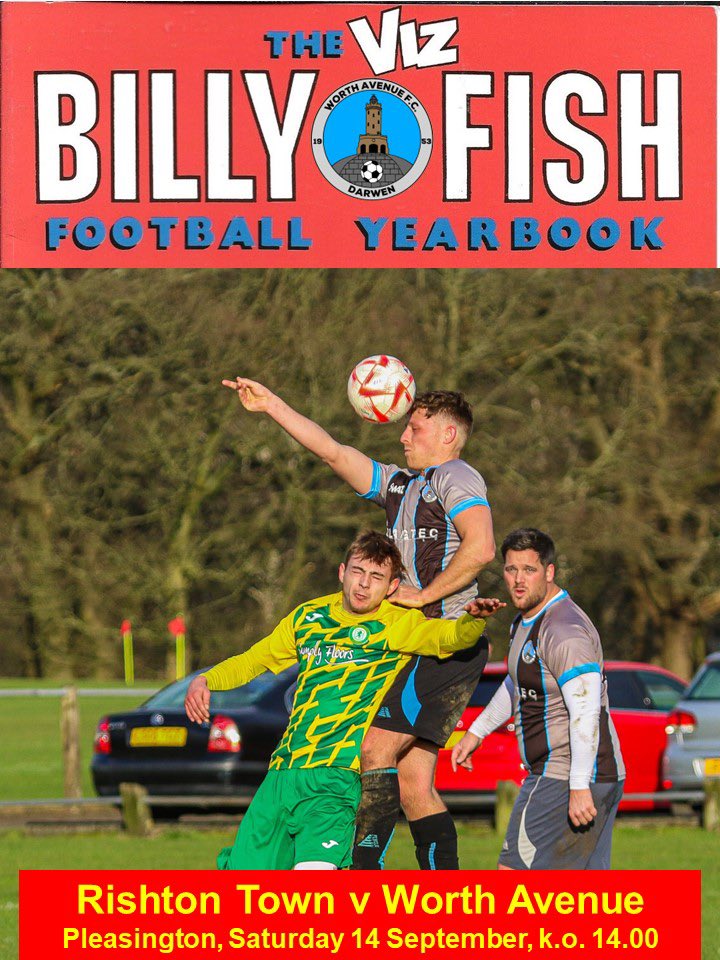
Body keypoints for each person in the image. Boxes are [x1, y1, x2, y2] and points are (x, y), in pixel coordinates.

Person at [222, 376, 495, 870]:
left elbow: (481, 548)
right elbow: (332, 451)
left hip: (446, 641)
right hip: (414, 641)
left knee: (372, 747)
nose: (402, 436)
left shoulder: (457, 477)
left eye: (414, 428)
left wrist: (424, 595)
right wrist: (273, 405)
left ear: (448, 436)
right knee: (413, 785)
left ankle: (361, 872)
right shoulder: (398, 486)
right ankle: (446, 899)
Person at [185, 531, 502, 870]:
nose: (364, 585)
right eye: (357, 572)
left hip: (336, 779)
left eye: (376, 577)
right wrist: (205, 680)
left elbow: (449, 638)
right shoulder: (309, 617)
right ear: (342, 572)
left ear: (393, 587)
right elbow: (254, 660)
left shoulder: (396, 623)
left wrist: (472, 620)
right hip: (282, 774)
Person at [451, 528, 625, 870]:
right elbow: (518, 683)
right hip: (583, 774)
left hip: (563, 775)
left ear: (548, 572)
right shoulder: (527, 621)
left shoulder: (564, 631)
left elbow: (586, 712)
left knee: (512, 877)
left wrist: (577, 786)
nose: (518, 580)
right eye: (510, 569)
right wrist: (477, 732)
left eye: (528, 570)